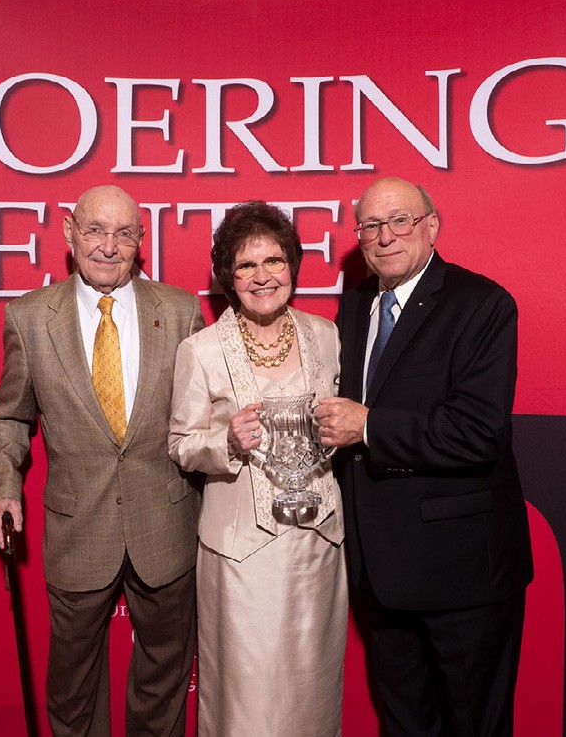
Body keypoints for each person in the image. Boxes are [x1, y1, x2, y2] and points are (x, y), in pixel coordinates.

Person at [0, 185, 205, 736]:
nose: (108, 246)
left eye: (124, 233)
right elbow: (9, 420)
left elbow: (206, 416)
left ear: (140, 241)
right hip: (78, 531)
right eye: (96, 230)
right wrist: (1, 486)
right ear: (69, 232)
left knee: (165, 683)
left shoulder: (180, 312)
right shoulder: (30, 319)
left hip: (166, 527)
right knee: (73, 691)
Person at [315, 177, 534, 737]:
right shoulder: (359, 302)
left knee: (475, 725)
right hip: (382, 572)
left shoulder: (482, 304)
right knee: (405, 724)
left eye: (399, 221)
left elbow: (478, 432)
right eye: (370, 225)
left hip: (462, 574)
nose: (384, 237)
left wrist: (370, 426)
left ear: (431, 227)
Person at [168, 201, 347, 736]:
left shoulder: (326, 335)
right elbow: (180, 443)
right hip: (241, 554)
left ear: (293, 266)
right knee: (246, 698)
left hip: (317, 545)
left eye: (274, 261)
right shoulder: (199, 351)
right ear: (228, 276)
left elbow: (338, 424)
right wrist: (225, 441)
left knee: (311, 691)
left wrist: (337, 433)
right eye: (246, 266)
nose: (262, 276)